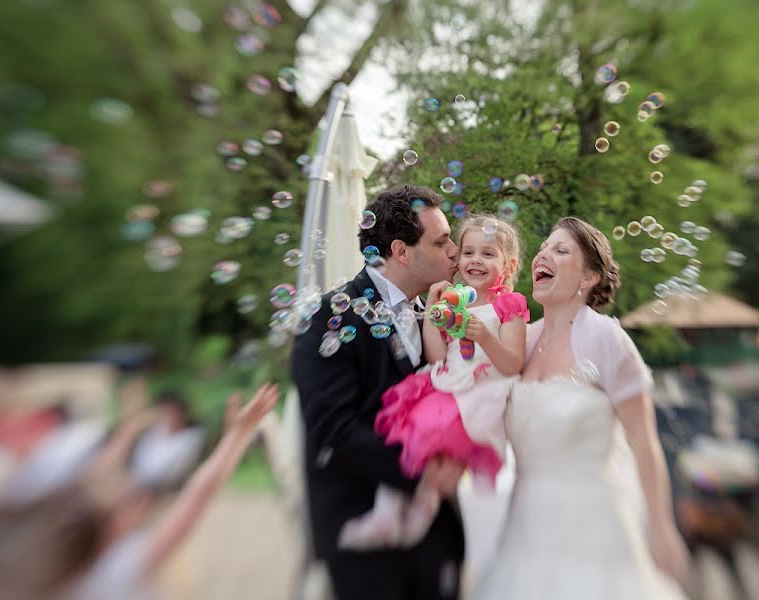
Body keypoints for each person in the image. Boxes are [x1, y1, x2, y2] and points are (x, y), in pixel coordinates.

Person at [475, 216, 690, 599]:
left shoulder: (607, 339)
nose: (544, 254)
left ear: (589, 278)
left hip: (595, 531)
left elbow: (644, 443)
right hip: (524, 530)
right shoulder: (520, 342)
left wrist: (660, 526)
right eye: (543, 248)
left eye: (561, 250)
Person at [290, 185, 466, 600]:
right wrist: (425, 468)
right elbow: (333, 430)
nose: (456, 251)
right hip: (364, 538)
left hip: (436, 535)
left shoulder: (438, 317)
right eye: (441, 241)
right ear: (402, 251)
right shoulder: (328, 319)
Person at [0, 383, 280, 600]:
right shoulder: (115, 572)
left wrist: (131, 424)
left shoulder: (32, 561)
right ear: (117, 527)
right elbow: (196, 496)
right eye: (129, 501)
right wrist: (238, 435)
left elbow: (96, 473)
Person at [342, 214, 528, 550]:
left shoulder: (508, 305)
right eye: (468, 252)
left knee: (426, 435)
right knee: (402, 433)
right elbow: (437, 356)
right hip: (445, 383)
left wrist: (485, 335)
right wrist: (433, 310)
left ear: (509, 264)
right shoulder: (454, 300)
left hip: (479, 394)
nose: (476, 260)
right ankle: (387, 514)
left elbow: (513, 363)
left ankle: (420, 512)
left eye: (488, 254)